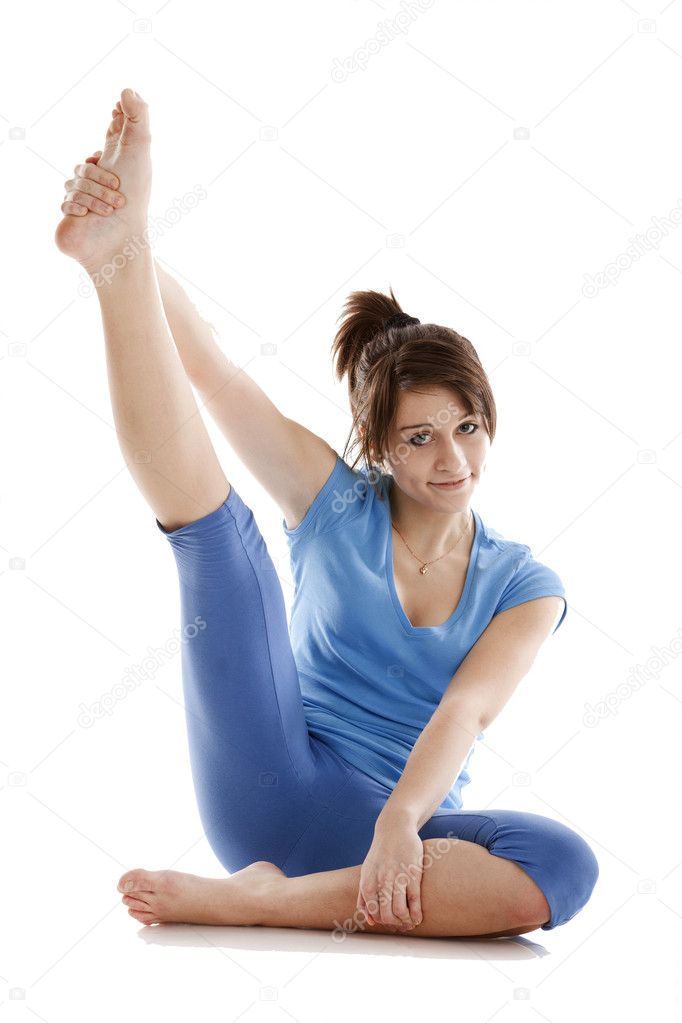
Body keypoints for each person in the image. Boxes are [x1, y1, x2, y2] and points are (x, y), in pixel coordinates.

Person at [55, 89, 599, 938]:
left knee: (565, 865)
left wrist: (397, 825)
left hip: (392, 843)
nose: (451, 458)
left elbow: (465, 713)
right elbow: (217, 374)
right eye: (419, 438)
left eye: (467, 427)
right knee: (225, 551)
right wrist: (131, 242)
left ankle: (269, 902)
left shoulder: (528, 584)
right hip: (271, 783)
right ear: (381, 447)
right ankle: (113, 270)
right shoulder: (337, 504)